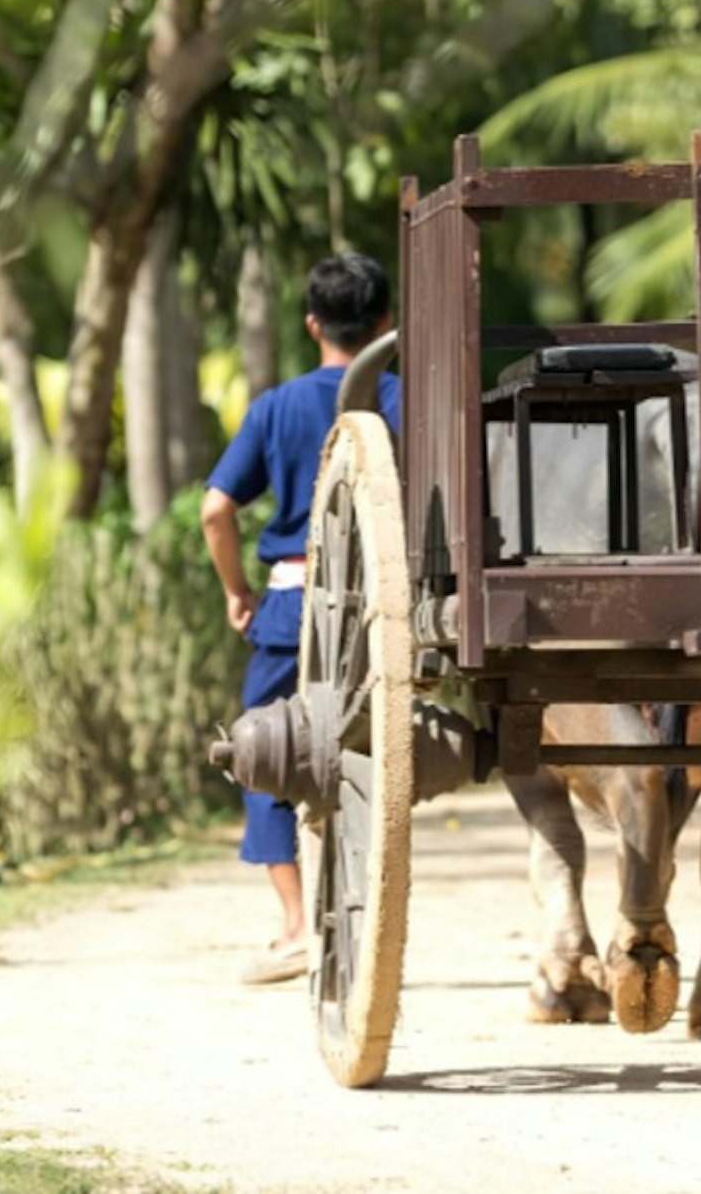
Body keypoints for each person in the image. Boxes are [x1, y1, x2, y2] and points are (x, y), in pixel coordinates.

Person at [202, 253, 398, 984]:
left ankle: (293, 926)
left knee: (266, 755)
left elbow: (216, 509)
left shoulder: (276, 408)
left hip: (290, 609)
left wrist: (236, 593)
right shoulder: (405, 401)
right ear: (384, 323)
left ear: (312, 323)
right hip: (384, 615)